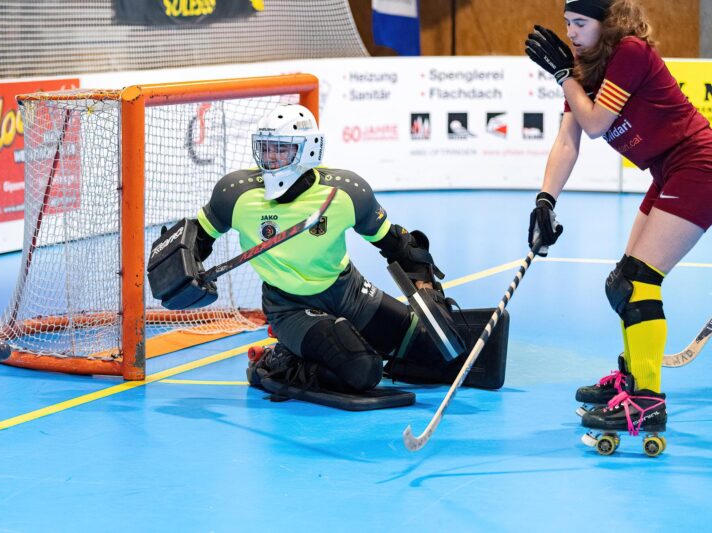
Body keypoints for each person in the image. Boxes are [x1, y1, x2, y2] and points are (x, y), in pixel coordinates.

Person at [149, 103, 504, 409]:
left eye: (281, 149)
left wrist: (429, 293)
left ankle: (350, 343)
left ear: (308, 150)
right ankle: (279, 360)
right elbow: (198, 240)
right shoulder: (236, 194)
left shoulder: (347, 192)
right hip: (289, 306)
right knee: (363, 370)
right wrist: (184, 271)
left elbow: (398, 246)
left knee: (435, 351)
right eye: (266, 148)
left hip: (349, 292)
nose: (270, 158)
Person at [525, 0, 712, 443]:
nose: (571, 33)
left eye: (580, 23)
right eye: (567, 23)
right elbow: (568, 141)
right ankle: (632, 379)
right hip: (667, 170)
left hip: (697, 165)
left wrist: (564, 77)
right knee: (622, 284)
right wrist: (545, 201)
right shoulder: (582, 72)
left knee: (640, 281)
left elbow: (594, 124)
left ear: (606, 23)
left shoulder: (629, 52)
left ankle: (648, 402)